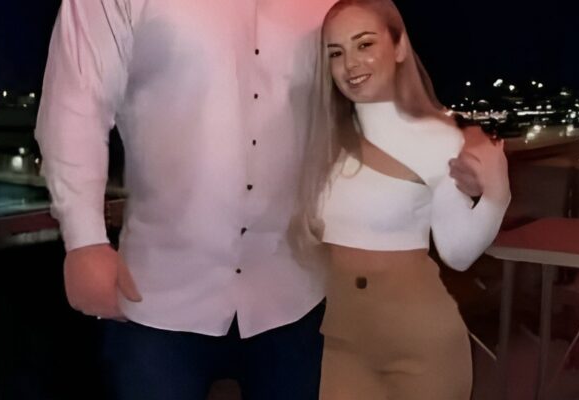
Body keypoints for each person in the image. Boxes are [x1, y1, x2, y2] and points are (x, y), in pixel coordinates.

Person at [35, 0, 489, 398]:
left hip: (297, 292)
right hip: (157, 293)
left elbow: (380, 89)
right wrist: (84, 239)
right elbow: (75, 104)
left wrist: (450, 154)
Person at [291, 0, 511, 399]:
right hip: (340, 342)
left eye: (364, 44)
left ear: (399, 47)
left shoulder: (439, 140)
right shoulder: (323, 140)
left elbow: (458, 254)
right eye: (336, 53)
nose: (350, 64)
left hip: (421, 346)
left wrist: (498, 193)